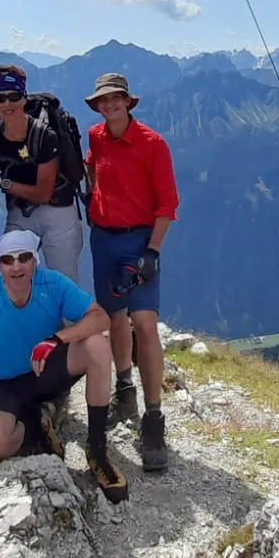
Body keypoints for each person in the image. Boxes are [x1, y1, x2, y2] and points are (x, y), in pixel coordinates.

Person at [0, 229, 128, 503]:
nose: (16, 266)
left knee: (97, 344)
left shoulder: (53, 284)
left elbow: (101, 319)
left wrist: (57, 339)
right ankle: (35, 422)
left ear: (35, 262)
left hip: (42, 371)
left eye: (24, 258)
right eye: (8, 260)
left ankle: (97, 448)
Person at [84, 72, 179, 473]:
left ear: (128, 101)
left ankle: (153, 417)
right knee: (114, 317)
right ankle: (125, 388)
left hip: (139, 240)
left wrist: (153, 250)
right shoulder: (96, 136)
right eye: (103, 101)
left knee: (145, 322)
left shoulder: (153, 144)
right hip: (103, 239)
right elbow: (92, 172)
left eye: (115, 99)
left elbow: (168, 202)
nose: (109, 105)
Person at [0, 65, 85, 282]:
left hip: (57, 211)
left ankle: (74, 318)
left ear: (24, 99)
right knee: (6, 275)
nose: (7, 104)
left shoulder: (44, 135)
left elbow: (43, 193)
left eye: (13, 97)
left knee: (64, 282)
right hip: (21, 211)